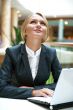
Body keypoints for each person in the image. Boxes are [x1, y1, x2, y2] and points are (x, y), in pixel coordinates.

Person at [0, 12, 62, 99]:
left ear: (45, 31)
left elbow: (62, 83)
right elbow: (1, 87)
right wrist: (32, 92)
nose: (39, 25)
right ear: (25, 30)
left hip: (42, 101)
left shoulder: (51, 53)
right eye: (33, 22)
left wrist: (35, 90)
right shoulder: (12, 52)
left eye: (42, 23)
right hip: (16, 101)